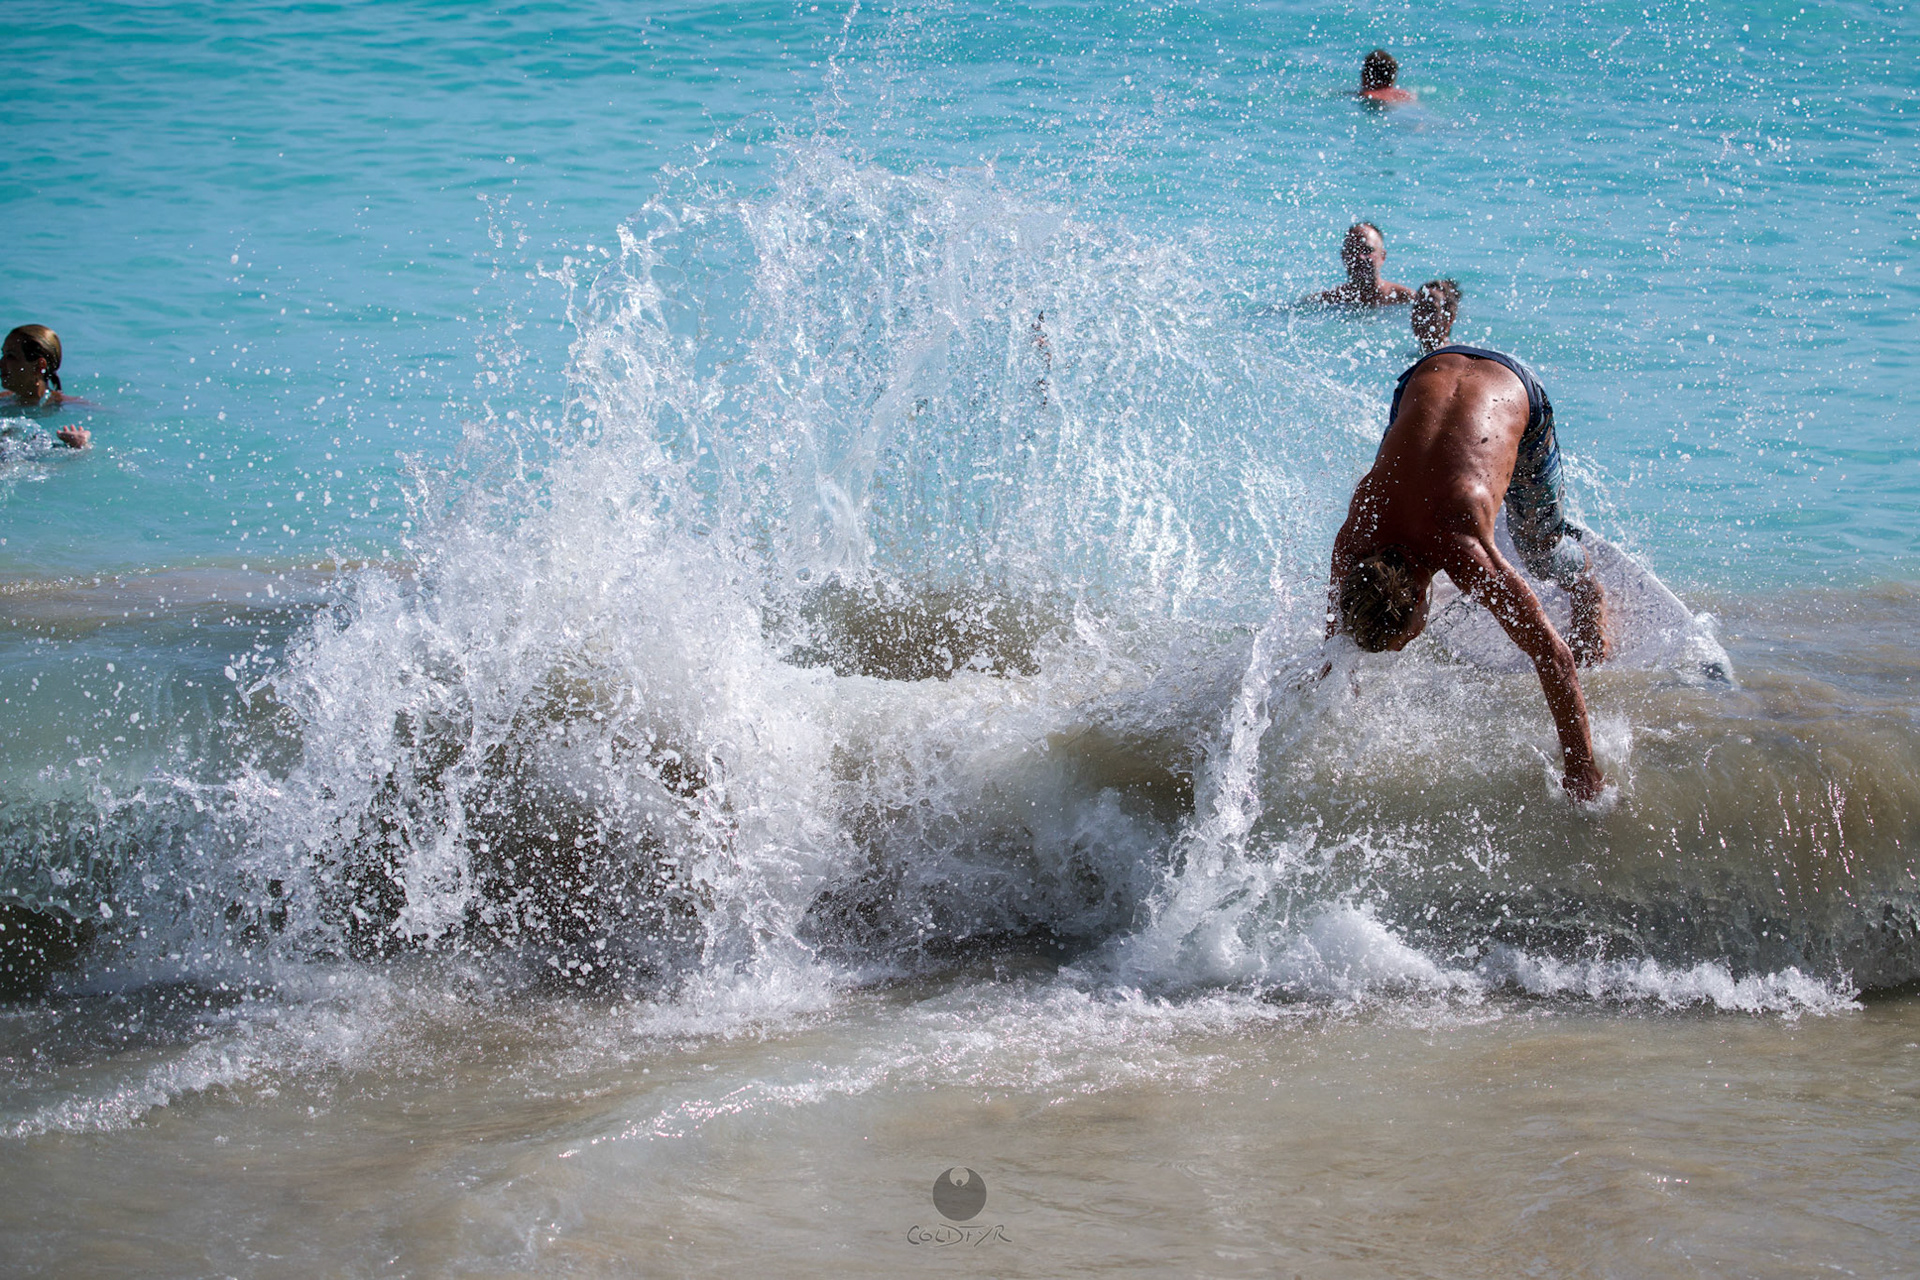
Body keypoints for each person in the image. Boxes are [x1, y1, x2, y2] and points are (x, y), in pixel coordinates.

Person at [1325, 345, 1612, 800]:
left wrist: (1581, 771)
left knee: (1538, 552)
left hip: (1517, 388)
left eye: (1408, 635)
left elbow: (1554, 656)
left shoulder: (1464, 550)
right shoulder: (1357, 536)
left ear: (1422, 598)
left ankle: (1585, 586)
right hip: (1426, 372)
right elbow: (1334, 632)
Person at [2, 325, 88, 448]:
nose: (1, 363)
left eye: (10, 356)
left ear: (39, 366)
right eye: (3, 354)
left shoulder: (74, 407)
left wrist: (80, 446)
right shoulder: (2, 401)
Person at [1305, 223, 1415, 309]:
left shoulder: (1407, 299)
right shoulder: (1327, 301)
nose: (1360, 257)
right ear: (1344, 256)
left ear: (1382, 256)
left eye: (1367, 250)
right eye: (1353, 250)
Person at [1411, 279, 1461, 353]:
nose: (1420, 316)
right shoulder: (1408, 355)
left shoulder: (1456, 356)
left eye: (1430, 309)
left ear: (1449, 318)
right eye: (1417, 307)